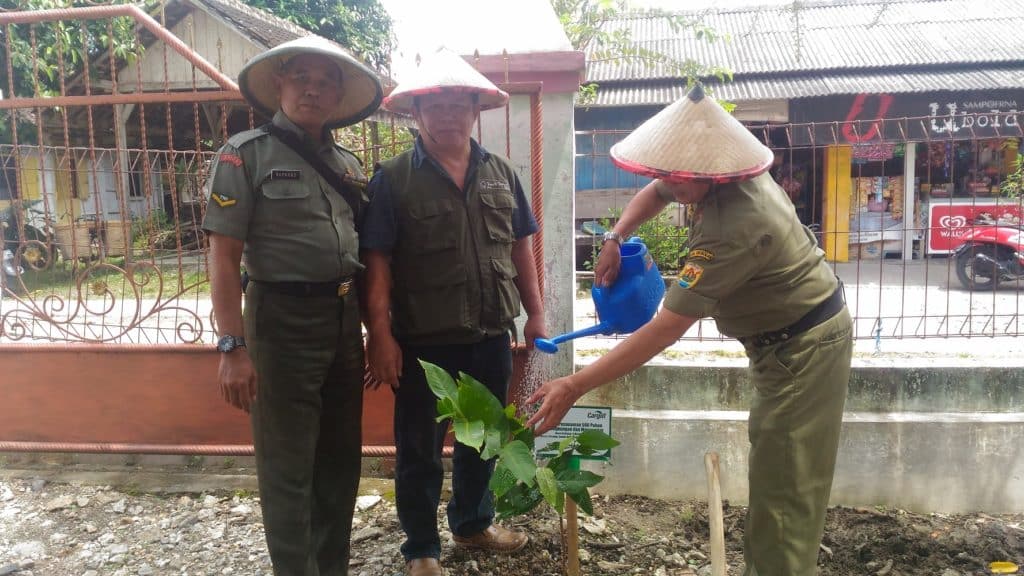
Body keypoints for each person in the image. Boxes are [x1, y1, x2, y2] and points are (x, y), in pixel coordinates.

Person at [527, 85, 852, 576]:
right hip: (785, 343)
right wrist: (617, 237)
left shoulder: (737, 223)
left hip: (802, 351)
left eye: (682, 178)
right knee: (779, 477)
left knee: (785, 494)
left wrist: (574, 385)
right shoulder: (708, 177)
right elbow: (658, 191)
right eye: (665, 172)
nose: (672, 185)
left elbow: (665, 329)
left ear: (714, 168)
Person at [361, 48, 547, 576]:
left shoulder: (502, 174)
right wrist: (380, 335)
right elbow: (376, 263)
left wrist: (536, 316)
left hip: (491, 334)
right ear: (416, 115)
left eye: (457, 105)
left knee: (485, 438)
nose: (447, 115)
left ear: (475, 110)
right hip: (422, 343)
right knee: (419, 446)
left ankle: (471, 524)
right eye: (434, 106)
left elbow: (520, 251)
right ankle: (421, 547)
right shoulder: (393, 180)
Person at [202, 36, 383, 576]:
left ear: (337, 94)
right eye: (302, 76)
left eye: (326, 80)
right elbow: (223, 257)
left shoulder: (348, 164)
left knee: (339, 459)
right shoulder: (244, 154)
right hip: (279, 322)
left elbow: (367, 256)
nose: (313, 88)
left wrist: (377, 331)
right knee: (286, 465)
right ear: (279, 83)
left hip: (343, 320)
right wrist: (232, 346)